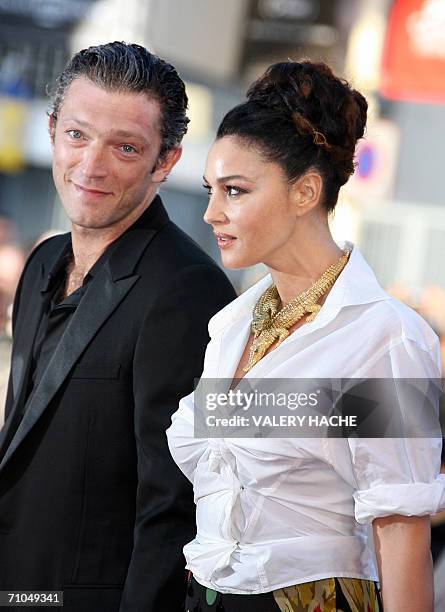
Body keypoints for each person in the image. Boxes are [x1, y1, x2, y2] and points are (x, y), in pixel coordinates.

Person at [167, 60, 445, 611]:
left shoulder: (387, 337)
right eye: (210, 190)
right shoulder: (231, 326)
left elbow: (402, 529)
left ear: (305, 191)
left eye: (235, 191)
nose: (211, 213)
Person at [0, 42, 236, 612]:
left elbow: (173, 505)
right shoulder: (40, 265)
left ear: (166, 162)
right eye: (77, 136)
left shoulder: (186, 290)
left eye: (125, 147)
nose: (90, 166)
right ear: (53, 131)